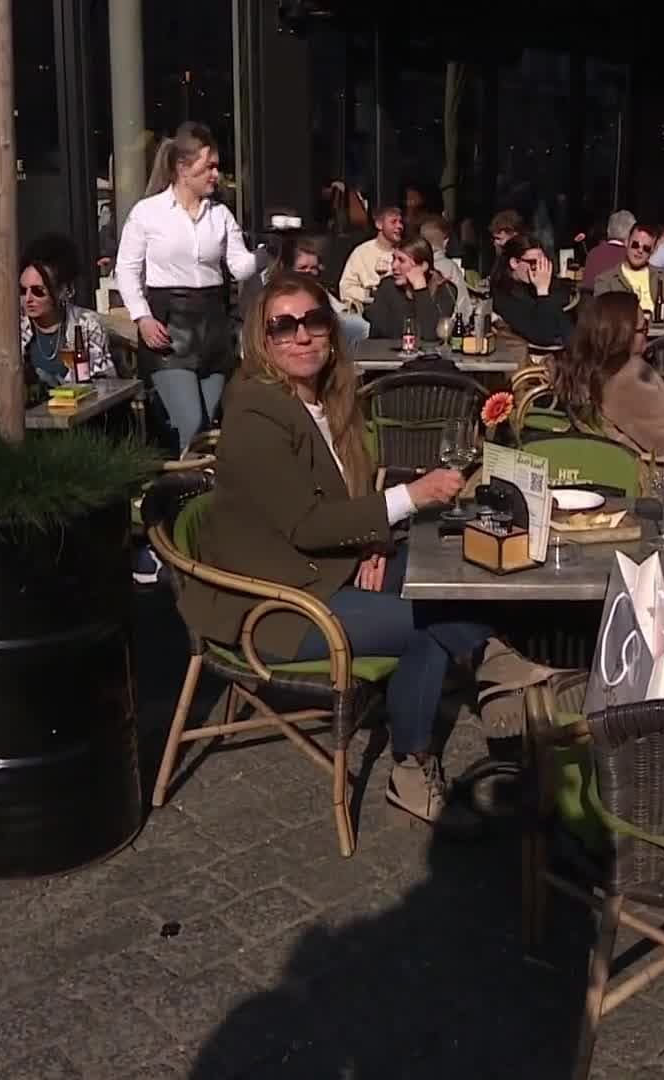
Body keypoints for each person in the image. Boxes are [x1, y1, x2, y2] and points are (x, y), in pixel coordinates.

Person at [178, 272, 489, 826]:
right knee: (436, 619)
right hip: (273, 601)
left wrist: (370, 537)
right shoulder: (255, 409)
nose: (301, 336)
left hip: (325, 567)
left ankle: (495, 679)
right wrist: (411, 496)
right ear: (262, 337)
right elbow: (305, 523)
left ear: (331, 328)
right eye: (283, 325)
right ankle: (464, 724)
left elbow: (344, 500)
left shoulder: (330, 401)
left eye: (313, 321)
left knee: (448, 575)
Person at [114, 121, 263, 454]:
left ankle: (197, 494)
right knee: (190, 421)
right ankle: (183, 498)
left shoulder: (221, 215)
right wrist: (142, 317)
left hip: (213, 326)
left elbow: (240, 267)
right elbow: (126, 269)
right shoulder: (147, 213)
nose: (216, 174)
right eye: (208, 166)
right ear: (183, 168)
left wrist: (269, 255)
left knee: (206, 425)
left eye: (216, 166)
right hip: (169, 327)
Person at [553, 292, 664, 458]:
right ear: (623, 335)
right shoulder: (627, 379)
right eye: (643, 328)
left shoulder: (584, 369)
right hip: (654, 475)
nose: (648, 332)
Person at [15, 238, 114, 390]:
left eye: (38, 291)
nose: (28, 299)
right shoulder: (15, 327)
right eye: (23, 291)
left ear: (63, 291)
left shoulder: (87, 324)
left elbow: (102, 385)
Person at [278, 234, 370, 347]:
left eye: (313, 268)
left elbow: (338, 309)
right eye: (303, 268)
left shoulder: (318, 288)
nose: (308, 272)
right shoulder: (281, 291)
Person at [592, 223, 664, 321]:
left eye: (646, 248)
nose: (640, 251)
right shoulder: (606, 281)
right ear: (626, 242)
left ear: (653, 251)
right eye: (635, 245)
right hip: (628, 335)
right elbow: (602, 319)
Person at [365, 237, 457, 341]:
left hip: (427, 356)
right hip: (384, 354)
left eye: (401, 260)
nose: (394, 266)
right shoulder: (387, 287)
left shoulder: (445, 290)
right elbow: (383, 333)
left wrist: (420, 289)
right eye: (394, 259)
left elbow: (431, 335)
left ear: (423, 266)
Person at [491, 234, 574, 348]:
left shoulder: (537, 287)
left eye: (542, 263)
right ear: (514, 263)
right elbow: (544, 336)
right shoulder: (503, 295)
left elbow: (567, 328)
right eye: (533, 263)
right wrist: (542, 292)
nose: (540, 269)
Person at [339, 204, 405, 310]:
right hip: (368, 309)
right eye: (393, 222)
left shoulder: (404, 251)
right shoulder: (362, 252)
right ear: (379, 225)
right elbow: (346, 288)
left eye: (400, 222)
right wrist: (369, 294)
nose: (399, 226)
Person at [415, 215, 474, 322]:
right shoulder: (450, 267)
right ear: (446, 241)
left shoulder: (412, 266)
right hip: (445, 328)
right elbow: (463, 307)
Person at [580, 210, 634, 287]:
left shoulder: (593, 253)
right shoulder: (631, 257)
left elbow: (586, 286)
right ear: (631, 233)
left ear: (608, 230)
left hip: (594, 298)